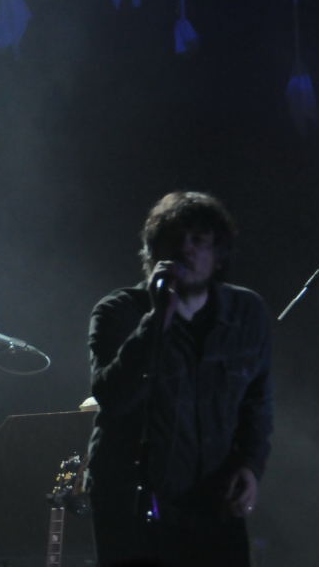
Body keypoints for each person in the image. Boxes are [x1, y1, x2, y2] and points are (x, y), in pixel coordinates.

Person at [85, 191, 273, 567]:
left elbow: (257, 400)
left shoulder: (246, 312)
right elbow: (113, 396)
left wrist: (250, 465)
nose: (186, 248)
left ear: (218, 254)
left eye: (199, 239)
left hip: (214, 502)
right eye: (174, 239)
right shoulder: (118, 311)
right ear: (153, 252)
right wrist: (158, 320)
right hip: (134, 507)